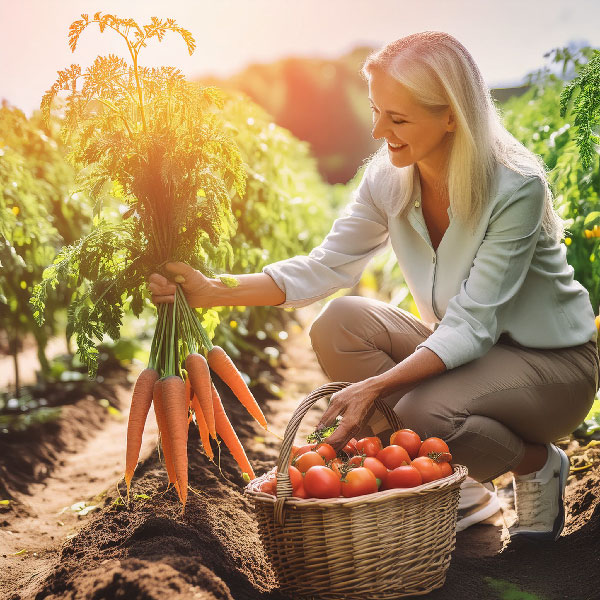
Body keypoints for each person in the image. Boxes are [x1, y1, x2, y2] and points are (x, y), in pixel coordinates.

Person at [149, 31, 599, 541]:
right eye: (376, 110)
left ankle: (537, 464)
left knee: (420, 412)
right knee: (338, 325)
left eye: (398, 118)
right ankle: (463, 486)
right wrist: (213, 289)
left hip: (552, 367)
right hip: (469, 354)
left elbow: (474, 324)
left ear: (451, 115)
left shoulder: (513, 187)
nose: (379, 129)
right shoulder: (388, 178)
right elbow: (327, 266)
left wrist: (377, 387)